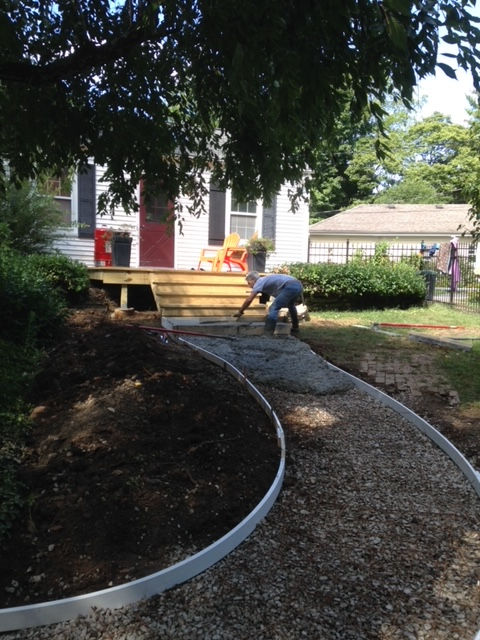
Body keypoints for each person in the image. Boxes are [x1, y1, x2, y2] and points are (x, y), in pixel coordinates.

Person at [233, 271, 303, 335]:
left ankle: (268, 333)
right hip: (298, 285)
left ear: (253, 280)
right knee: (290, 305)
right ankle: (295, 328)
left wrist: (240, 311)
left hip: (290, 286)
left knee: (273, 307)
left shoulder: (259, 282)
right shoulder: (264, 280)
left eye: (249, 283)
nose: (249, 285)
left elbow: (249, 299)